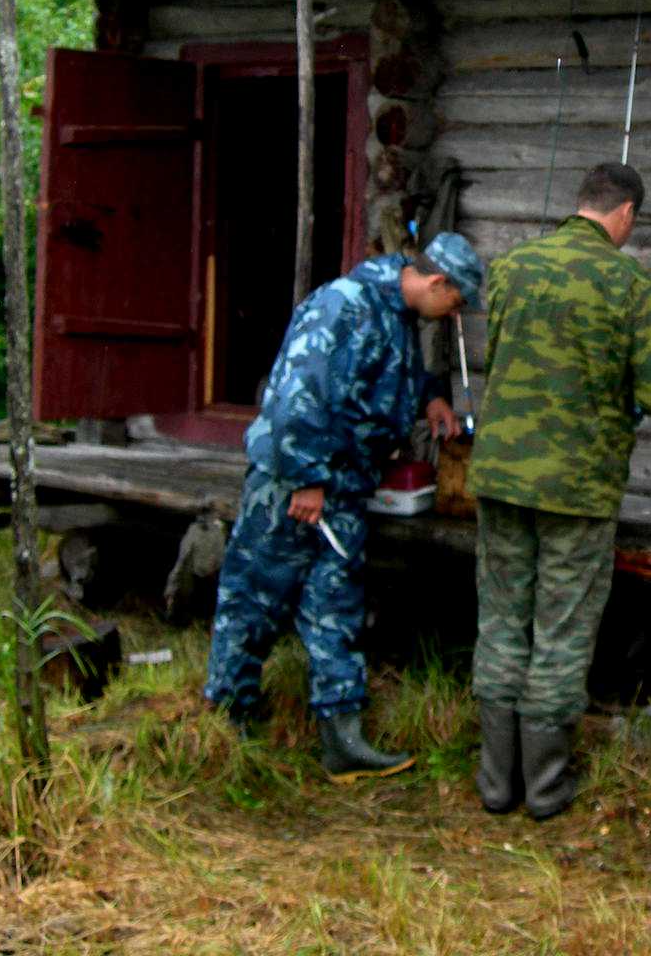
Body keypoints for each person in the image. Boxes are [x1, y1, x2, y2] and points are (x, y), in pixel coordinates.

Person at [204, 232, 483, 781]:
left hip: (346, 491)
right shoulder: (342, 306)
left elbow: (390, 371)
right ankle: (226, 724)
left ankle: (342, 739)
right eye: (455, 303)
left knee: (336, 610)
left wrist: (430, 395)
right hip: (291, 487)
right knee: (254, 599)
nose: (454, 315)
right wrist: (308, 479)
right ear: (436, 282)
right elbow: (294, 398)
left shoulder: (398, 314)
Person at [467, 162, 651, 818]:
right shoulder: (625, 281)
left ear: (580, 202)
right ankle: (545, 791)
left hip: (501, 476)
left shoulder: (510, 269)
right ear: (625, 215)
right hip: (577, 488)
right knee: (560, 633)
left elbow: (501, 354)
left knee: (503, 622)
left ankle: (494, 785)